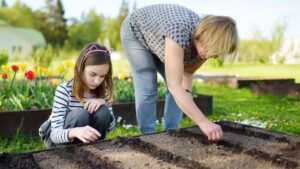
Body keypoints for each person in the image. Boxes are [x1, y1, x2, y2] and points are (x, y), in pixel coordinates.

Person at [120, 4, 238, 141]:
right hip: (137, 31)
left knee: (180, 88)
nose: (215, 56)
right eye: (215, 50)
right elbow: (174, 86)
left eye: (218, 53)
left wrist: (186, 96)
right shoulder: (179, 31)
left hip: (161, 41)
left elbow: (186, 75)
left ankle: (171, 132)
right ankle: (148, 135)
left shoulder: (205, 48)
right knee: (148, 82)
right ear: (205, 34)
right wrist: (203, 122)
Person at [39, 43, 115, 148]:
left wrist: (104, 104)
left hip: (85, 139)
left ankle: (94, 149)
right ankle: (69, 153)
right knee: (80, 115)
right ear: (80, 68)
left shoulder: (103, 90)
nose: (97, 81)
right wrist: (75, 132)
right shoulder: (64, 90)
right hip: (58, 140)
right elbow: (55, 134)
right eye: (92, 74)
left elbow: (111, 128)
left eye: (102, 76)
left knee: (103, 111)